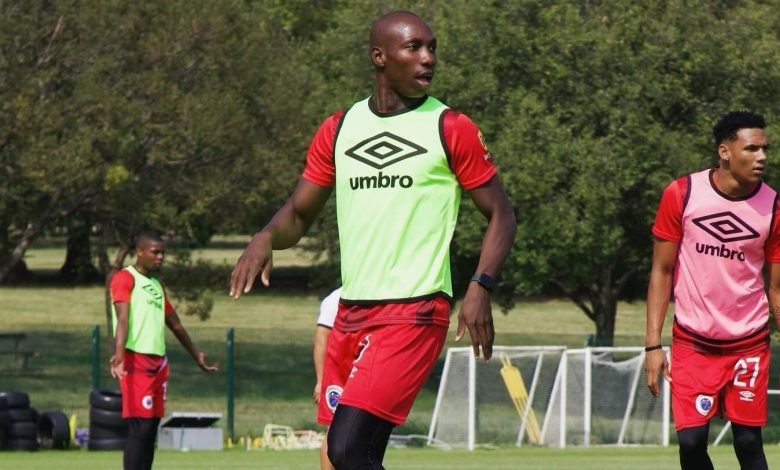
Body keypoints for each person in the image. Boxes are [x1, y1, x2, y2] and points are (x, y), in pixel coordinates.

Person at [230, 10, 515, 469]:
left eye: (432, 48)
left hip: (415, 310)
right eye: (414, 48)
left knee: (347, 449)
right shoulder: (339, 129)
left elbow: (501, 214)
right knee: (341, 455)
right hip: (351, 313)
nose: (428, 58)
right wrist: (265, 236)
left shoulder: (450, 127)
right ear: (379, 57)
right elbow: (299, 212)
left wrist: (481, 285)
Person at [644, 111, 780, 470]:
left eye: (765, 148)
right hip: (693, 342)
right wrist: (652, 343)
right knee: (690, 443)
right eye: (751, 148)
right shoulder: (682, 193)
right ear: (724, 151)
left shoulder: (774, 207)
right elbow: (661, 271)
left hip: (749, 342)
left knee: (749, 442)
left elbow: (776, 288)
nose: (762, 156)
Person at [110, 231, 218, 470]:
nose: (160, 257)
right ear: (140, 252)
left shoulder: (157, 286)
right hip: (135, 360)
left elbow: (176, 325)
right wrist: (118, 356)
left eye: (163, 253)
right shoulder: (124, 278)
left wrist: (196, 355)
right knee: (141, 426)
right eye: (155, 252)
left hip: (159, 364)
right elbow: (123, 319)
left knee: (152, 428)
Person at [313, 287, 341, 470]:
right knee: (334, 431)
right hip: (339, 377)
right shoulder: (335, 300)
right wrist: (321, 381)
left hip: (364, 372)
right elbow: (321, 339)